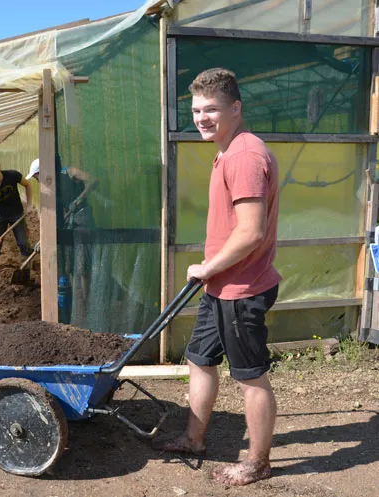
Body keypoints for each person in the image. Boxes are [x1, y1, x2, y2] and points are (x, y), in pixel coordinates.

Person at [154, 68, 281, 487]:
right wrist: (211, 274)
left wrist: (208, 267)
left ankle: (259, 463)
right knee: (199, 359)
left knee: (250, 376)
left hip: (240, 288)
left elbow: (251, 230)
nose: (202, 117)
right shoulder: (227, 150)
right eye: (196, 109)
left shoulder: (244, 155)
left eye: (212, 109)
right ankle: (195, 439)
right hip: (220, 285)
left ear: (236, 108)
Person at [26, 158, 98, 323]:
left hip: (82, 220)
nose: (36, 180)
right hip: (67, 222)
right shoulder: (48, 187)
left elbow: (93, 180)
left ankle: (86, 304)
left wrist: (78, 200)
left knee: (82, 265)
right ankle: (74, 300)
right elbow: (49, 215)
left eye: (37, 176)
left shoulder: (69, 172)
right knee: (69, 264)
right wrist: (43, 238)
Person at [0, 157, 34, 275]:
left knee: (24, 243)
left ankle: (27, 272)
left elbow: (28, 185)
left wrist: (29, 205)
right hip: (0, 216)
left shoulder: (12, 175)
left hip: (17, 214)